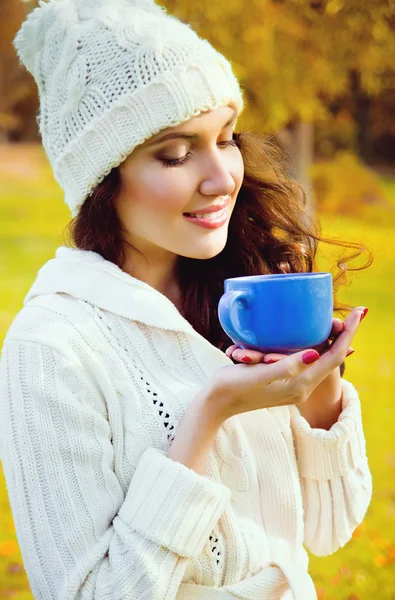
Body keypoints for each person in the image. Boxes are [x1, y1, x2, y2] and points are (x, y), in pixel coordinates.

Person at [0, 0, 372, 598]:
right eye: (176, 153)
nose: (223, 176)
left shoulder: (239, 293)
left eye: (226, 139)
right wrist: (207, 414)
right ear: (103, 179)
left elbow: (332, 528)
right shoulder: (51, 347)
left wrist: (317, 382)